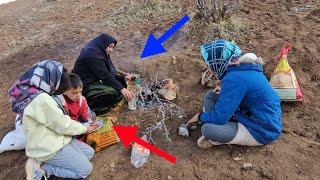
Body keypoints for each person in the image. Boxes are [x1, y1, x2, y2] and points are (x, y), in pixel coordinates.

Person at [8, 60, 95, 179]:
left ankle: (44, 161)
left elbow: (58, 122)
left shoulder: (33, 92)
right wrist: (84, 128)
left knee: (89, 153)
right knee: (85, 170)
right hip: (48, 146)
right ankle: (42, 167)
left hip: (54, 137)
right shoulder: (41, 99)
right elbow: (63, 124)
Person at [187, 40, 282, 148]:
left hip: (261, 130)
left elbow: (220, 118)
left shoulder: (234, 78)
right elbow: (245, 88)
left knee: (207, 129)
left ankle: (216, 137)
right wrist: (225, 90)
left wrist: (199, 117)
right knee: (211, 96)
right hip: (255, 116)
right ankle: (221, 125)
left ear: (217, 62)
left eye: (209, 64)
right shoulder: (243, 68)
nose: (208, 67)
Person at [72, 34, 135, 114]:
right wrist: (123, 90)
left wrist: (123, 78)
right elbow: (105, 76)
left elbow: (108, 73)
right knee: (111, 92)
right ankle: (90, 108)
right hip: (84, 84)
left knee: (121, 84)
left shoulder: (100, 51)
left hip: (94, 78)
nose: (111, 50)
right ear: (103, 44)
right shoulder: (92, 54)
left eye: (113, 47)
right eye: (110, 46)